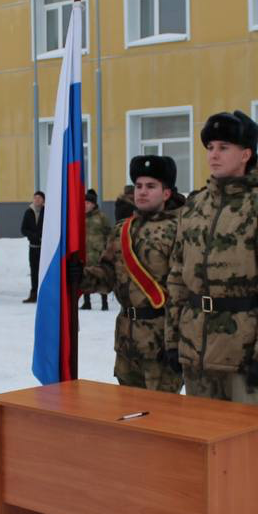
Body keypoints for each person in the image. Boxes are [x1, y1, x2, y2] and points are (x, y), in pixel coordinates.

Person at [165, 110, 258, 514]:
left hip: (242, 351)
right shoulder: (196, 206)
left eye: (223, 147)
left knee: (247, 452)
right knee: (201, 449)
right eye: (210, 147)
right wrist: (173, 338)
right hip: (197, 349)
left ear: (246, 153)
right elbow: (176, 278)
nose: (214, 154)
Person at [82, 155, 185, 393]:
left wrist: (178, 344)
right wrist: (83, 276)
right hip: (127, 342)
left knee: (160, 417)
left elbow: (187, 291)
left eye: (151, 186)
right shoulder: (122, 229)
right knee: (129, 415)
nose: (142, 192)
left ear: (166, 193)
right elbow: (108, 275)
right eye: (138, 186)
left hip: (161, 343)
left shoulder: (180, 230)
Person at [81, 189, 112, 311]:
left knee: (101, 278)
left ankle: (104, 303)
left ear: (93, 204)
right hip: (85, 253)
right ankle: (86, 302)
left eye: (88, 203)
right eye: (84, 203)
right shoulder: (79, 218)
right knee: (85, 277)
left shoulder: (101, 217)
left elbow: (109, 233)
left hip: (98, 253)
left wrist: (106, 249)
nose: (85, 205)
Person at [20, 192, 45, 303]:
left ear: (43, 200)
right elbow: (23, 229)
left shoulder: (47, 211)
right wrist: (32, 235)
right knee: (34, 271)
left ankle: (44, 294)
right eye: (35, 198)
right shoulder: (28, 212)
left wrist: (41, 235)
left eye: (39, 198)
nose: (37, 200)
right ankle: (34, 294)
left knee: (43, 271)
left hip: (44, 248)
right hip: (33, 246)